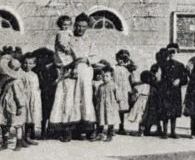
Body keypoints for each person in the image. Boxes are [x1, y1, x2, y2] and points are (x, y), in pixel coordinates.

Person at [49, 13, 98, 141]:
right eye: (78, 26)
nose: (80, 29)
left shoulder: (90, 41)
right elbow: (60, 53)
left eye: (83, 26)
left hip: (85, 71)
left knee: (85, 99)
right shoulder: (67, 37)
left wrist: (86, 58)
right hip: (69, 72)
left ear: (87, 27)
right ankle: (67, 130)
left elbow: (95, 56)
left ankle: (88, 129)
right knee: (68, 99)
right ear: (74, 25)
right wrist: (70, 64)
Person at [150, 46, 188, 138]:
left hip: (175, 92)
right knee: (165, 112)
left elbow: (185, 79)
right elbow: (158, 77)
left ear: (176, 53)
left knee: (174, 112)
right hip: (165, 91)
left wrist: (179, 80)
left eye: (173, 53)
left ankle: (173, 132)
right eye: (170, 53)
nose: (172, 55)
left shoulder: (180, 65)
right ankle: (165, 132)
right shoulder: (163, 65)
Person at [94, 62, 120, 141]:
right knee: (101, 119)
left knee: (110, 120)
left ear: (111, 77)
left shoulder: (114, 85)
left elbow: (118, 96)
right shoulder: (100, 86)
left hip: (111, 106)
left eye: (107, 76)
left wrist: (117, 102)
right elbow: (97, 96)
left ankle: (110, 134)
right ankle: (100, 134)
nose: (104, 78)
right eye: (103, 76)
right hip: (102, 106)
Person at [20, 52, 43, 143]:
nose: (27, 65)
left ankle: (28, 135)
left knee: (31, 116)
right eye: (25, 63)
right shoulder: (21, 74)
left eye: (30, 63)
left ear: (34, 64)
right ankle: (23, 137)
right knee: (24, 117)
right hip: (24, 97)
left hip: (33, 98)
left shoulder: (35, 75)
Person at [112, 49, 137, 135]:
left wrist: (129, 60)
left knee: (122, 110)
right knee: (114, 109)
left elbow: (133, 71)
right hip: (116, 90)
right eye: (119, 58)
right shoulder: (114, 68)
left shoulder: (128, 69)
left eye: (124, 59)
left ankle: (121, 127)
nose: (121, 61)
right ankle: (111, 128)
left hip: (124, 91)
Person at [127, 70, 153, 136]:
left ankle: (140, 131)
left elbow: (135, 95)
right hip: (147, 103)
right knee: (143, 117)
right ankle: (142, 131)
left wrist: (132, 100)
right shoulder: (151, 87)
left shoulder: (139, 86)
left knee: (140, 116)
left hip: (140, 102)